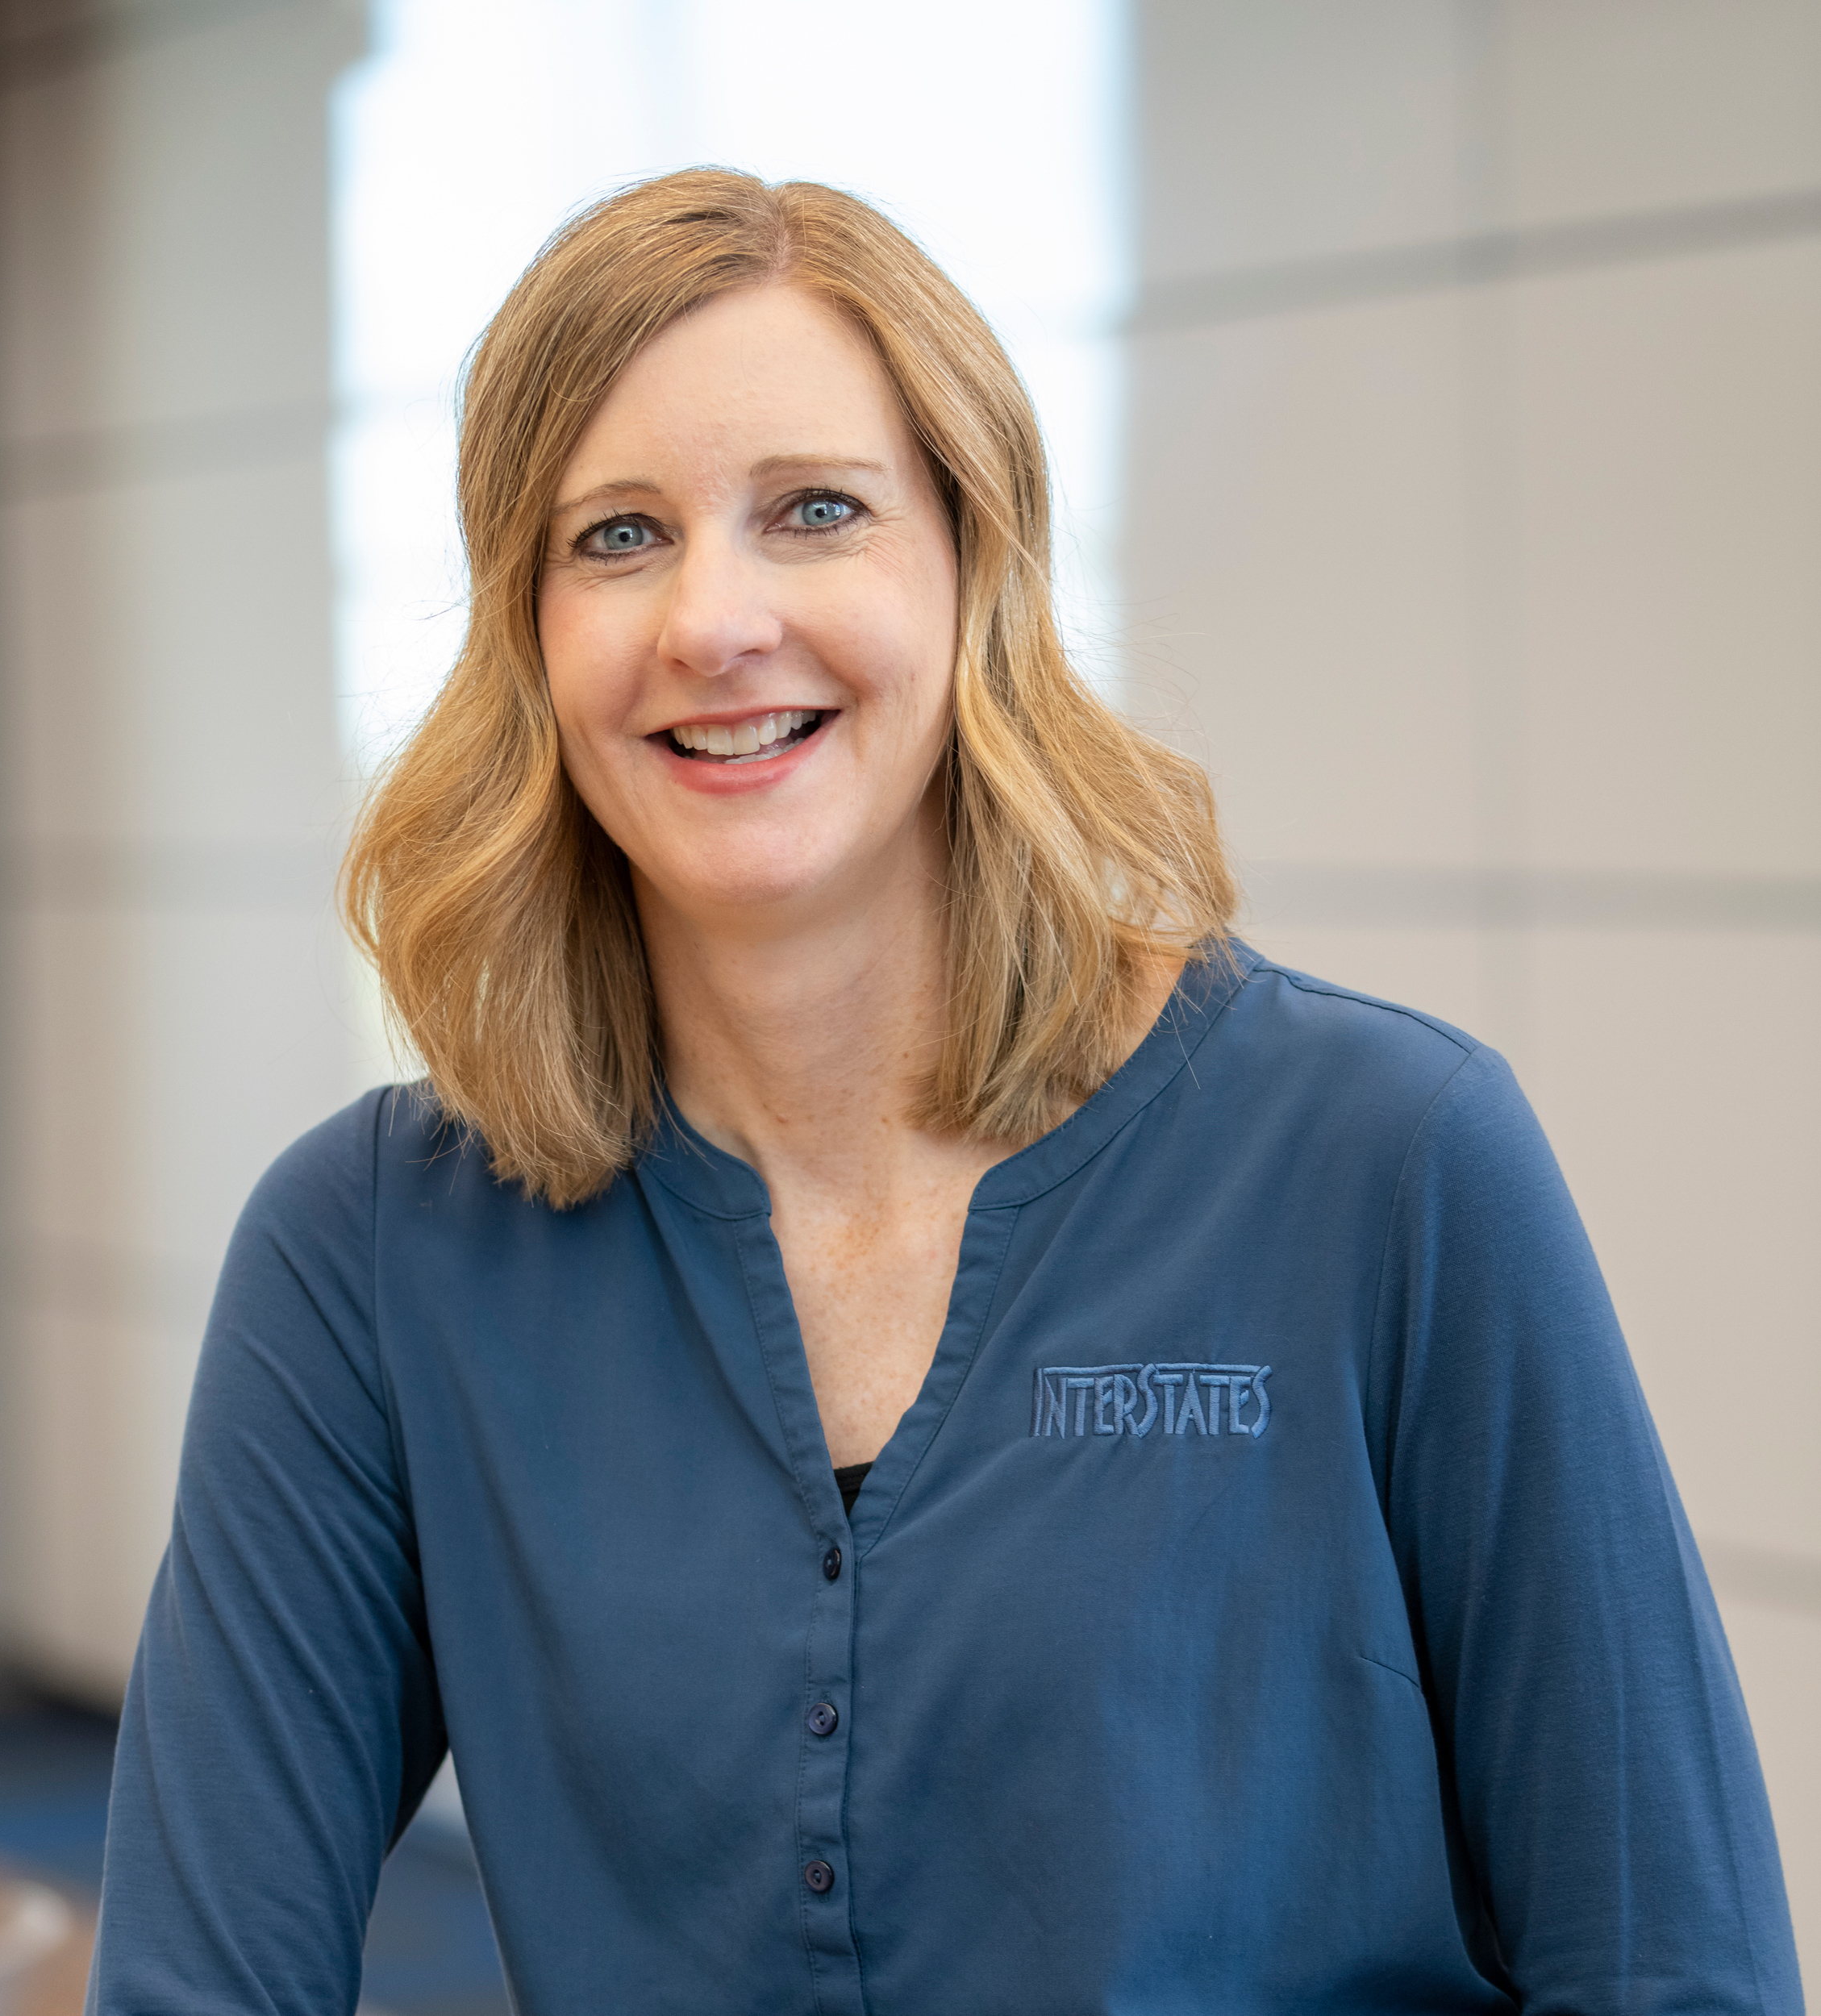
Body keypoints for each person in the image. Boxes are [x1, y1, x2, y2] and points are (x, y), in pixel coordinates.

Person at [86, 170, 1800, 2016]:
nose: (712, 619)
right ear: (527, 636)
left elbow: (1669, 1971)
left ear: (975, 566)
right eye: (616, 536)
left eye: (814, 510)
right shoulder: (370, 1251)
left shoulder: (1389, 1163)